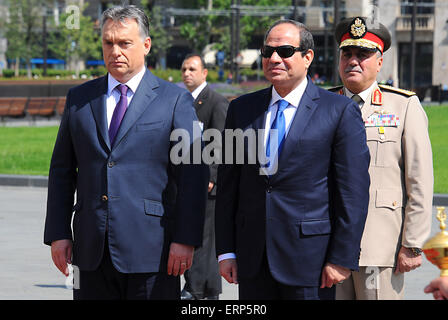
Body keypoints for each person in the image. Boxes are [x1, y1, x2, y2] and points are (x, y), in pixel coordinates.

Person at [43, 5, 208, 300]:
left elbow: (194, 174)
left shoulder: (176, 100)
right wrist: (58, 232)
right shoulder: (79, 99)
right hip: (90, 250)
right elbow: (61, 172)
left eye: (124, 43)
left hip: (152, 250)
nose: (115, 51)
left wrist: (186, 239)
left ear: (146, 45)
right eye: (109, 42)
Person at [215, 19, 370, 300]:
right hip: (252, 260)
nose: (274, 58)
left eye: (285, 51)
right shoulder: (241, 109)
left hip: (312, 262)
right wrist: (226, 250)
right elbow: (228, 187)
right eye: (267, 51)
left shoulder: (339, 111)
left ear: (307, 57)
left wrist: (342, 257)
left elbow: (353, 193)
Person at [332, 16, 434, 300]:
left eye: (363, 54)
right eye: (347, 54)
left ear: (379, 62)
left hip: (380, 246)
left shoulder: (403, 106)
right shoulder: (322, 105)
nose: (353, 61)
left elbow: (420, 180)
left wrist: (412, 244)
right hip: (328, 247)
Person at [180, 54, 229, 300]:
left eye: (192, 69)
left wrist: (212, 177)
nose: (187, 73)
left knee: (202, 239)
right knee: (192, 235)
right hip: (185, 182)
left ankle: (195, 289)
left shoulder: (215, 102)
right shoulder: (182, 102)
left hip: (206, 185)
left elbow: (221, 143)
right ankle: (205, 289)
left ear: (204, 73)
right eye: (184, 69)